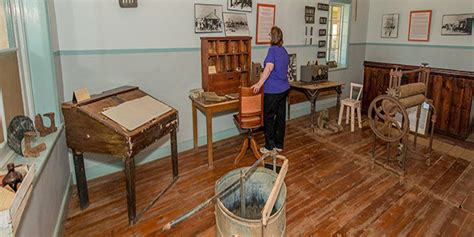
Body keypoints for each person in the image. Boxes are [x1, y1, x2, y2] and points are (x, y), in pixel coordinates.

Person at [251, 26, 290, 154]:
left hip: (273, 91)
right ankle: (279, 145)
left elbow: (268, 68)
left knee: (268, 118)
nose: (268, 37)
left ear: (273, 37)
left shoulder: (272, 50)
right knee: (280, 117)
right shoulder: (284, 51)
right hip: (284, 89)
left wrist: (259, 83)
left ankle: (269, 146)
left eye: (269, 35)